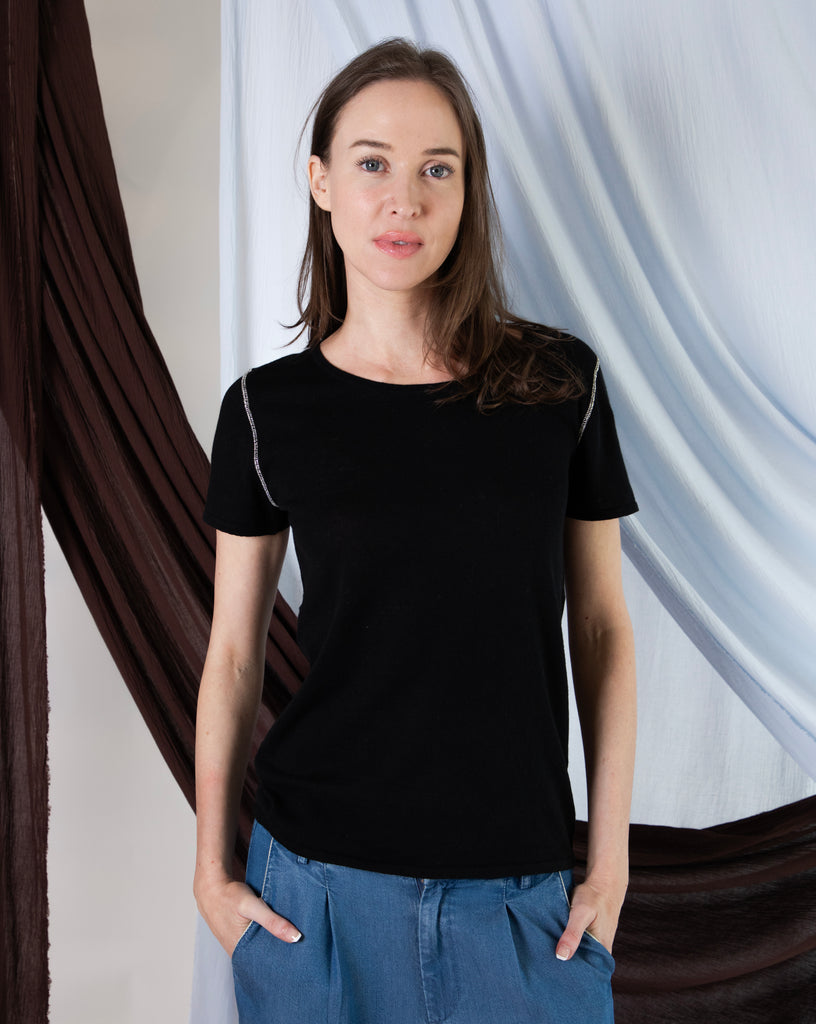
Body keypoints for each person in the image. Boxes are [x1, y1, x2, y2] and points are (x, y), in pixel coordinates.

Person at [194, 37, 637, 1024]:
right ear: (321, 182)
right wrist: (210, 873)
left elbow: (604, 629)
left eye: (438, 169)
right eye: (372, 164)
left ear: (469, 191)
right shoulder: (267, 410)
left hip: (523, 904)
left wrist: (609, 864)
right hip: (313, 902)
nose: (405, 200)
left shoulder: (560, 386)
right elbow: (232, 654)